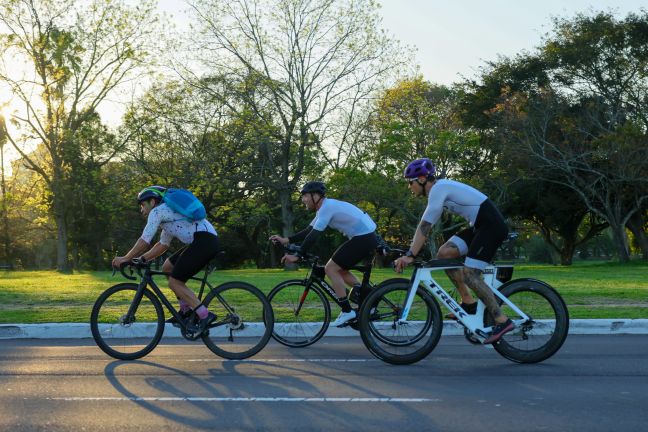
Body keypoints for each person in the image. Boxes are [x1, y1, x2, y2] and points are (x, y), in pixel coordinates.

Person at [393, 158, 514, 344]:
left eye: (410, 182)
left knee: (470, 274)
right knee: (445, 254)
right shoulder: (440, 189)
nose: (409, 187)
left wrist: (410, 255)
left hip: (491, 226)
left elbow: (425, 226)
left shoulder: (438, 189)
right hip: (480, 226)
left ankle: (501, 320)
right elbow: (425, 226)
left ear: (423, 178)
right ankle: (468, 303)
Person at [269, 181, 378, 327]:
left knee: (330, 268)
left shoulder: (327, 208)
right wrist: (286, 240)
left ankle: (347, 311)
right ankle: (368, 298)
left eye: (305, 196)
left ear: (316, 196)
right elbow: (309, 230)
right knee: (341, 270)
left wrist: (298, 255)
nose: (303, 200)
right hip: (364, 237)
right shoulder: (324, 209)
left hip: (364, 237)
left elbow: (314, 236)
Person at [112, 186, 220, 333]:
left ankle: (204, 315)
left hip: (204, 242)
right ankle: (185, 311)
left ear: (152, 201)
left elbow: (145, 240)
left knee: (175, 282)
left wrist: (126, 258)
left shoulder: (158, 211)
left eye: (143, 205)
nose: (141, 210)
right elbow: (162, 245)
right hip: (202, 241)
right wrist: (141, 259)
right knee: (167, 267)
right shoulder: (168, 215)